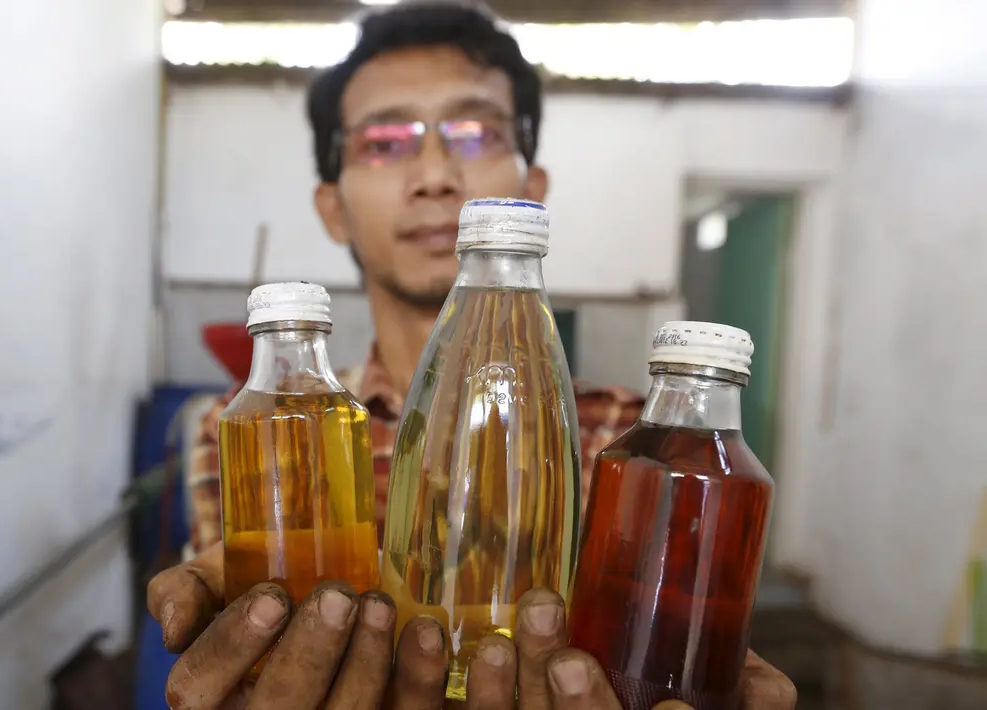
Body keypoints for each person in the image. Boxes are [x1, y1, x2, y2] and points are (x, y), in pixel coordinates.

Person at [147, 3, 799, 708]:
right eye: (385, 141)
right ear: (331, 205)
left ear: (532, 190)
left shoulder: (634, 444)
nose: (433, 173)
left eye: (472, 131)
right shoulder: (235, 427)